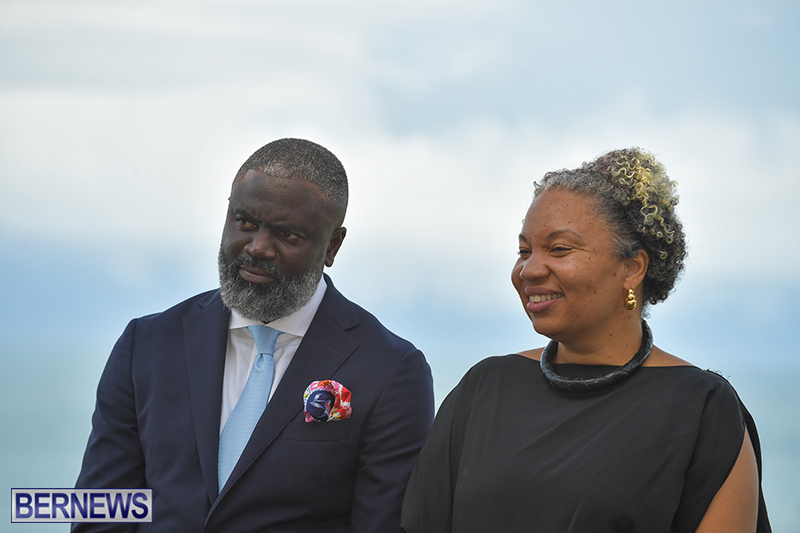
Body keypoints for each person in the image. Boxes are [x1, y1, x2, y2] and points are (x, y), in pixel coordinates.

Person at [401, 148, 770, 532]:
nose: (529, 269)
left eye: (559, 249)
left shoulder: (701, 410)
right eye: (524, 251)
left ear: (633, 268)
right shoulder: (484, 389)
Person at [74, 138, 435, 532]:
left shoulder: (389, 370)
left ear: (333, 245)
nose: (259, 247)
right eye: (245, 223)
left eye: (289, 235)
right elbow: (101, 510)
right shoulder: (146, 345)